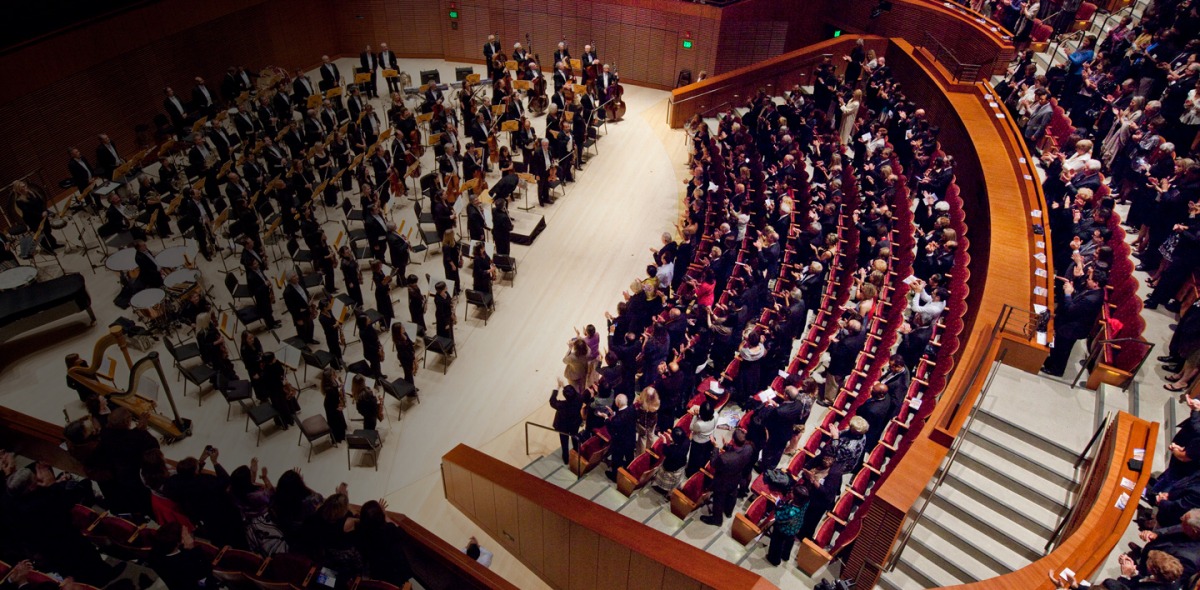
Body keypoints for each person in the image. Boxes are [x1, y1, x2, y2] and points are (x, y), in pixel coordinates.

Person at [1041, 270, 1106, 377]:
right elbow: (1078, 299)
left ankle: (1056, 370)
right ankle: (1052, 361)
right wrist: (1073, 289)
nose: (1087, 280)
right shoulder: (1095, 291)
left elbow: (1071, 309)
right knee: (1059, 345)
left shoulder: (1092, 299)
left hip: (1073, 328)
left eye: (1089, 279)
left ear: (1096, 283)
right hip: (1072, 323)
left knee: (1063, 348)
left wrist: (1067, 294)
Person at [701, 429, 756, 526]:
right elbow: (738, 451)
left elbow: (714, 463)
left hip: (723, 481)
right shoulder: (749, 448)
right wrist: (727, 446)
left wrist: (716, 447)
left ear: (733, 440)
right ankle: (728, 512)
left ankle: (717, 520)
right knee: (732, 494)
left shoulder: (725, 458)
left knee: (718, 499)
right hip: (736, 477)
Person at [354, 500, 413, 586]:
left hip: (378, 574)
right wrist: (385, 514)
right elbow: (402, 534)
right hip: (397, 575)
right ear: (381, 516)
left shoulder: (361, 532)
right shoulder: (389, 530)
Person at [767, 482, 811, 566]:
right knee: (789, 541)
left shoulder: (791, 512)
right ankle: (785, 556)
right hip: (796, 527)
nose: (790, 492)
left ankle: (774, 560)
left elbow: (779, 517)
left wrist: (777, 507)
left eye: (792, 492)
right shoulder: (805, 502)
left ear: (796, 497)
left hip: (783, 529)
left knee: (777, 543)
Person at [603, 394, 638, 481]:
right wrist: (614, 413)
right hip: (630, 439)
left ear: (617, 403)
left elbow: (611, 429)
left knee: (617, 459)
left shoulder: (617, 420)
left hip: (620, 443)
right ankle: (630, 471)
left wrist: (606, 418)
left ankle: (614, 476)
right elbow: (624, 415)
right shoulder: (632, 409)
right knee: (629, 456)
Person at [550, 380, 584, 464]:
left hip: (563, 426)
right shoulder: (579, 399)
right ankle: (576, 452)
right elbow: (573, 394)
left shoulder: (562, 405)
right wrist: (564, 386)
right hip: (575, 423)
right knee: (574, 436)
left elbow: (552, 401)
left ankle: (566, 458)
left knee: (564, 441)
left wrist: (557, 388)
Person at [651, 427, 691, 494]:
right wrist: (671, 438)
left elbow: (665, 451)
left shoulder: (672, 450)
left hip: (671, 468)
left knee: (662, 465)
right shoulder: (687, 441)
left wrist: (664, 439)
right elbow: (676, 445)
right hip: (681, 463)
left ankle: (662, 487)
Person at [283, 272, 318, 345]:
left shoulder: (300, 283)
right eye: (294, 276)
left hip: (307, 309)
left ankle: (310, 339)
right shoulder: (287, 292)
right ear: (289, 280)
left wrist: (309, 300)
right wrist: (298, 319)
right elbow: (291, 308)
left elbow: (305, 292)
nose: (297, 277)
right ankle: (304, 345)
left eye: (296, 275)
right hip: (299, 314)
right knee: (302, 330)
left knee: (310, 326)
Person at [686, 400, 718, 476]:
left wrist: (695, 415)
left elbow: (691, 427)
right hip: (709, 438)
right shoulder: (716, 414)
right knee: (703, 456)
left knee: (695, 459)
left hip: (698, 441)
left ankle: (691, 473)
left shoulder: (700, 424)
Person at [321, 367, 347, 444]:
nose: (335, 375)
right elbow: (336, 397)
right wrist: (341, 398)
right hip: (331, 405)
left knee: (339, 418)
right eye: (333, 374)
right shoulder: (329, 389)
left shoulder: (331, 382)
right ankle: (338, 437)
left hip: (333, 402)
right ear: (329, 377)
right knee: (335, 421)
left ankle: (342, 431)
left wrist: (340, 387)